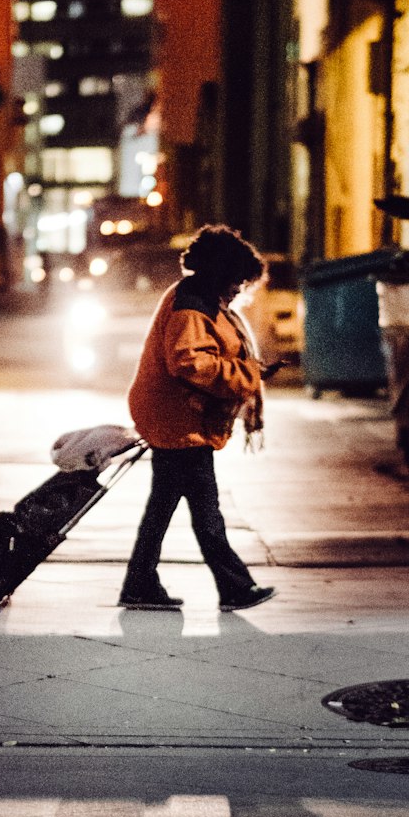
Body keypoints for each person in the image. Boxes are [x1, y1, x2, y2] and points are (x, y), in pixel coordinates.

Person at [119, 224, 279, 611]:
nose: (240, 288)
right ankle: (234, 587)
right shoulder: (191, 306)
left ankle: (139, 585)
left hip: (178, 419)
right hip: (179, 422)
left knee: (164, 508)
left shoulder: (201, 299)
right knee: (206, 511)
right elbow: (190, 362)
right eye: (238, 280)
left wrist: (252, 369)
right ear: (222, 273)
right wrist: (248, 374)